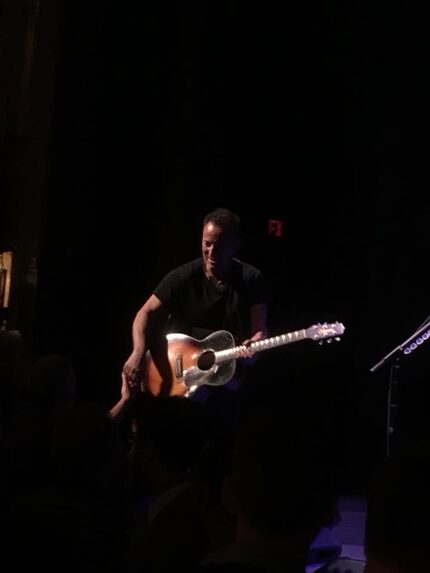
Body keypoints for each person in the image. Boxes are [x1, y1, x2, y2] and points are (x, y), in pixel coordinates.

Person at [122, 207, 268, 403]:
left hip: (228, 378)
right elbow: (144, 313)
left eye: (220, 246)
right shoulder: (184, 276)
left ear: (235, 245)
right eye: (207, 244)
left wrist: (255, 345)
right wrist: (138, 352)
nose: (211, 252)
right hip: (183, 376)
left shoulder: (251, 279)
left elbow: (259, 330)